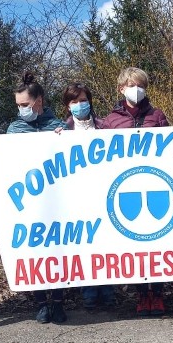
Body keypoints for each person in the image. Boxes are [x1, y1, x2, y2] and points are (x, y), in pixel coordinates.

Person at [101, 66, 169, 316]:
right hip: (125, 185)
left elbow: (172, 147)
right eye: (130, 85)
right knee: (135, 244)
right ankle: (141, 294)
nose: (135, 89)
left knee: (157, 242)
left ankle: (158, 293)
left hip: (155, 183)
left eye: (140, 84)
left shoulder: (157, 115)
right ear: (121, 89)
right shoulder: (111, 120)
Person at [10, 72, 68, 323]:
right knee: (34, 252)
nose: (22, 109)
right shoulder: (14, 129)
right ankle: (40, 302)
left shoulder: (59, 126)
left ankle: (58, 302)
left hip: (57, 200)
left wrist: (63, 139)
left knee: (58, 250)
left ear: (39, 101)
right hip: (29, 201)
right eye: (19, 106)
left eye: (25, 105)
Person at [61, 82, 115, 311]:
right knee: (84, 246)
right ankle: (89, 294)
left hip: (105, 193)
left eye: (83, 100)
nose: (80, 105)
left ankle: (109, 292)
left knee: (106, 245)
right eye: (74, 101)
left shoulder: (105, 127)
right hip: (77, 197)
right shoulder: (61, 131)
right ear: (67, 106)